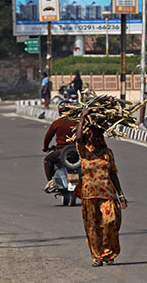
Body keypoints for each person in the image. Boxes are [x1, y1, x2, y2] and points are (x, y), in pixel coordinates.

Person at [73, 106, 126, 267]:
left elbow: (113, 174)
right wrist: (83, 118)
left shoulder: (107, 153)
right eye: (93, 137)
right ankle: (97, 256)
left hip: (107, 194)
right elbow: (78, 138)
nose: (95, 139)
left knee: (110, 223)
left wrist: (121, 194)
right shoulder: (84, 152)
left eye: (98, 137)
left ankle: (109, 254)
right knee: (92, 227)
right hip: (89, 195)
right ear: (89, 138)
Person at [42, 103, 76, 192]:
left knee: (47, 160)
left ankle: (51, 182)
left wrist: (45, 148)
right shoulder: (77, 122)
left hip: (61, 151)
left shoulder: (57, 123)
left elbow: (48, 137)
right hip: (76, 152)